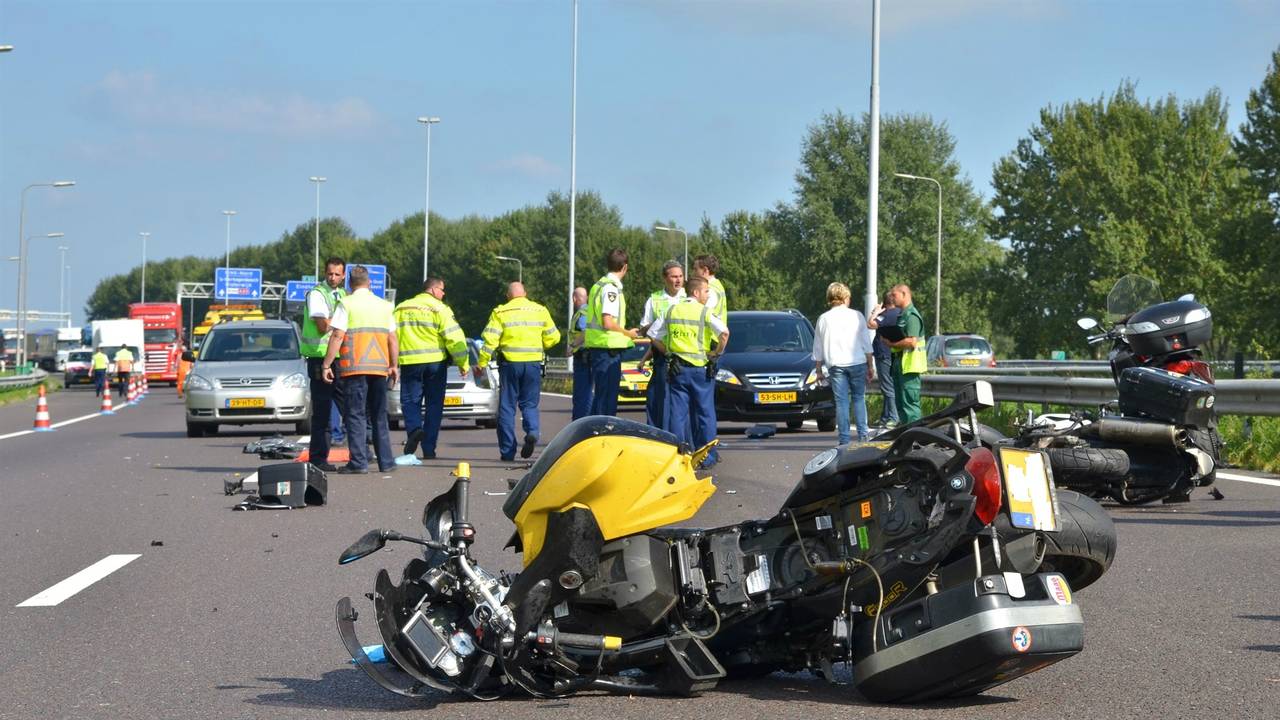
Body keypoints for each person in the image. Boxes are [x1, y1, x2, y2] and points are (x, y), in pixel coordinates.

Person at [320, 265, 399, 474]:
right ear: (369, 282)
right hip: (380, 369)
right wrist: (394, 365)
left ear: (349, 284)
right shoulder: (384, 305)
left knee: (355, 415)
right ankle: (387, 462)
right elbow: (392, 338)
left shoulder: (346, 303)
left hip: (354, 369)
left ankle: (358, 462)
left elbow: (337, 335)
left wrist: (327, 364)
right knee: (379, 415)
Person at [650, 276, 729, 469]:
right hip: (700, 371)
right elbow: (724, 333)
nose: (707, 294)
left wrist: (668, 352)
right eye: (706, 291)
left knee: (677, 414)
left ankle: (679, 456)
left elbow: (653, 334)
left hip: (677, 369)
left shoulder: (671, 310)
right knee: (705, 413)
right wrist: (716, 353)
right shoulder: (704, 312)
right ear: (696, 292)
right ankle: (707, 456)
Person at [478, 282, 561, 461]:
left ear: (508, 296)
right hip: (532, 364)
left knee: (507, 407)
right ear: (525, 293)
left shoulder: (500, 312)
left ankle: (508, 452)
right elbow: (554, 337)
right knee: (529, 404)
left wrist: (482, 362)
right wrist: (542, 345)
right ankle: (532, 431)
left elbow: (490, 341)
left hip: (510, 365)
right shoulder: (540, 310)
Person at [395, 277, 469, 460]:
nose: (443, 294)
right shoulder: (441, 309)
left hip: (410, 361)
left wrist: (391, 363)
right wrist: (463, 363)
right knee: (434, 406)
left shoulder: (401, 308)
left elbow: (391, 337)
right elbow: (454, 337)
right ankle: (429, 449)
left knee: (410, 401)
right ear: (434, 289)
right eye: (442, 290)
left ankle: (414, 429)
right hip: (436, 363)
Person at [300, 257, 348, 471]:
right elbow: (321, 326)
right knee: (322, 412)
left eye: (337, 274)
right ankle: (318, 459)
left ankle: (361, 453)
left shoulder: (344, 294)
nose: (333, 277)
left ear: (344, 275)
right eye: (330, 273)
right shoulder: (318, 294)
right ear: (325, 273)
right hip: (321, 359)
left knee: (351, 408)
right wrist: (340, 326)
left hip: (340, 357)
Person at [813, 282, 875, 444]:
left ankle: (844, 439)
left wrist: (818, 370)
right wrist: (870, 365)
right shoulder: (856, 315)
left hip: (836, 365)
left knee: (841, 402)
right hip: (857, 362)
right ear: (845, 297)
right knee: (858, 398)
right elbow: (866, 343)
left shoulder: (823, 318)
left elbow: (817, 347)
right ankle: (863, 436)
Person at [584, 248, 640, 416]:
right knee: (607, 401)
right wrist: (628, 333)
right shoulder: (611, 289)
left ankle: (595, 435)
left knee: (601, 398)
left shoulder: (598, 285)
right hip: (607, 351)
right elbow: (607, 322)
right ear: (625, 268)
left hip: (600, 348)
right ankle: (603, 437)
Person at [639, 260, 685, 429]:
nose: (678, 280)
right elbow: (644, 329)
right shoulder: (654, 299)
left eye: (681, 276)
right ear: (665, 278)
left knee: (681, 406)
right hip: (662, 357)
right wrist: (661, 324)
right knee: (660, 403)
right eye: (674, 276)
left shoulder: (688, 298)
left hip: (684, 356)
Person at [884, 284, 927, 425]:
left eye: (894, 295)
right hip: (899, 364)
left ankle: (915, 439)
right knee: (900, 404)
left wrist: (891, 344)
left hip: (910, 367)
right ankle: (906, 437)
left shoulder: (911, 315)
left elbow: (911, 342)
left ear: (904, 294)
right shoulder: (902, 314)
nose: (892, 298)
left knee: (909, 405)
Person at [867, 289, 902, 428]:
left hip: (884, 354)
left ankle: (893, 417)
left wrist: (875, 312)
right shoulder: (900, 313)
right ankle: (885, 416)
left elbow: (870, 324)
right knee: (889, 386)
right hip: (894, 353)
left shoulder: (886, 315)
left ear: (885, 303)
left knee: (887, 387)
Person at [568, 286, 592, 420]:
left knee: (582, 394)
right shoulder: (591, 311)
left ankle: (580, 422)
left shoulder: (582, 314)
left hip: (583, 357)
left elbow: (585, 332)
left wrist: (572, 346)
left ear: (574, 298)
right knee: (586, 393)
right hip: (589, 356)